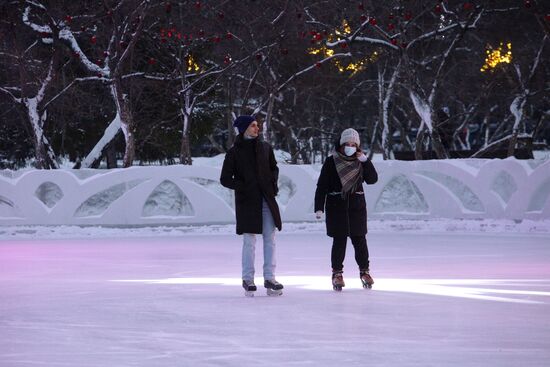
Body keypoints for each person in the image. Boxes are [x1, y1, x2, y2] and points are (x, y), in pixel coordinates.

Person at [220, 115, 284, 297]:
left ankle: (270, 278)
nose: (257, 128)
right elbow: (225, 179)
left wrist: (273, 185)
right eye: (254, 125)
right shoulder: (234, 152)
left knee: (270, 238)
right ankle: (248, 279)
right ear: (244, 128)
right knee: (249, 240)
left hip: (266, 200)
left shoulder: (265, 148)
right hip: (248, 202)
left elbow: (274, 168)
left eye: (258, 125)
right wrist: (244, 187)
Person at [314, 128, 378, 291]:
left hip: (356, 207)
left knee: (360, 241)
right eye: (347, 144)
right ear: (341, 144)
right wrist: (319, 207)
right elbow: (322, 186)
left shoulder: (360, 162)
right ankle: (337, 274)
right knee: (339, 241)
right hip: (337, 207)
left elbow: (372, 180)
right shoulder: (331, 161)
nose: (350, 146)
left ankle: (364, 272)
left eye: (353, 144)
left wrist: (365, 161)